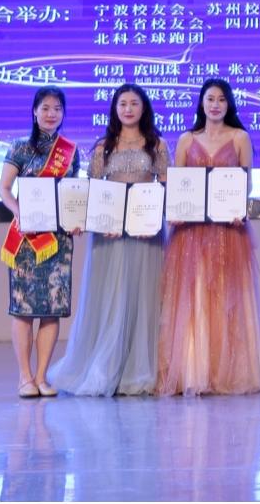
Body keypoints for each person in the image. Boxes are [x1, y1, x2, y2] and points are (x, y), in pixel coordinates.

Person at [47, 83, 168, 396]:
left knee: (142, 298)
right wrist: (95, 220)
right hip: (109, 234)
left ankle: (137, 370)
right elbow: (92, 190)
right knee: (108, 298)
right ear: (114, 108)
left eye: (134, 103)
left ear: (144, 108)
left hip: (145, 235)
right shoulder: (103, 146)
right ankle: (103, 367)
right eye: (122, 103)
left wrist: (156, 216)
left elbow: (166, 188)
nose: (128, 109)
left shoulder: (157, 144)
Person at [156, 78, 260, 396]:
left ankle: (225, 372)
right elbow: (178, 184)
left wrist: (238, 207)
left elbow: (246, 183)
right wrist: (176, 209)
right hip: (190, 233)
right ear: (201, 103)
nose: (216, 104)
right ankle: (194, 372)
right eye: (210, 99)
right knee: (193, 299)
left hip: (227, 231)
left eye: (221, 99)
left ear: (228, 104)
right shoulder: (186, 139)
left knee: (226, 298)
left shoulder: (240, 137)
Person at [0, 85, 81, 398]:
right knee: (23, 309)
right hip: (28, 239)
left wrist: (77, 218)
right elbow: (4, 189)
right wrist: (20, 212)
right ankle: (24, 377)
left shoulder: (70, 151)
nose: (51, 114)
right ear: (34, 112)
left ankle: (43, 377)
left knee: (51, 309)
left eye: (57, 109)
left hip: (58, 240)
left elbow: (73, 195)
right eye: (45, 108)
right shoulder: (20, 148)